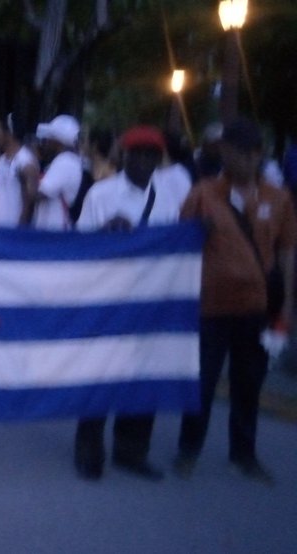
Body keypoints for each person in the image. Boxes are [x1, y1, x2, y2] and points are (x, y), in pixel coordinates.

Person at [174, 120, 297, 485]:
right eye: (223, 153)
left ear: (256, 155)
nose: (228, 161)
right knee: (203, 382)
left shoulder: (279, 198)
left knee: (249, 383)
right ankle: (188, 449)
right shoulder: (203, 193)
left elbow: (288, 251)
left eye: (235, 154)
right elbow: (178, 242)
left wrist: (287, 304)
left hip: (258, 307)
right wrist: (197, 232)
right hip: (210, 307)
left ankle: (243, 454)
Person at [73, 125, 190, 482]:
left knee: (143, 377)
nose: (142, 162)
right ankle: (88, 448)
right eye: (135, 154)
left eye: (149, 156)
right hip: (108, 297)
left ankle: (131, 450)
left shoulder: (169, 200)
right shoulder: (101, 194)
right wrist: (105, 232)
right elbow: (78, 244)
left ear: (158, 160)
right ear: (124, 156)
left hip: (149, 300)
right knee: (101, 373)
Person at [29, 115, 83, 230]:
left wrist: (28, 168)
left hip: (55, 231)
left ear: (58, 141)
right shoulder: (66, 160)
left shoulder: (65, 161)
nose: (46, 141)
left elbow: (38, 195)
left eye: (50, 137)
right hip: (50, 230)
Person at [0, 115, 40, 227]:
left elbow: (30, 201)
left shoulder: (26, 161)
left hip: (13, 233)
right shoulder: (1, 161)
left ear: (8, 134)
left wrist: (19, 230)